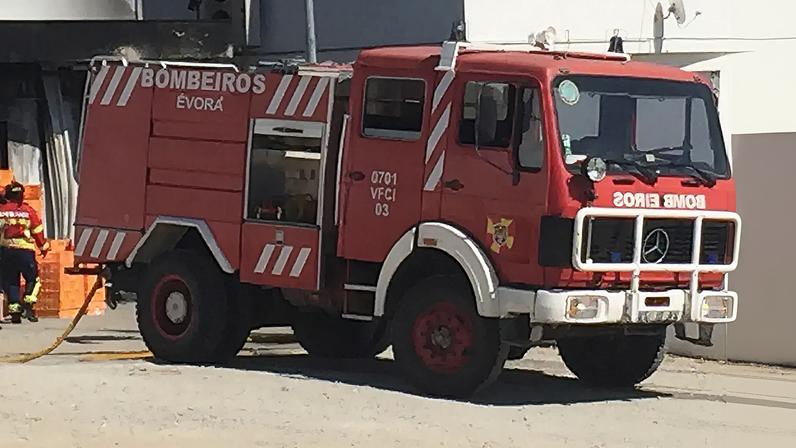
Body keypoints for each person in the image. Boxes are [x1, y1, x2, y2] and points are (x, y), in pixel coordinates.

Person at [0, 182, 50, 323]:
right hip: (25, 251)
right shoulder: (28, 211)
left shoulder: (1, 210)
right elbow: (37, 231)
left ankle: (15, 311)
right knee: (33, 279)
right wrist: (44, 247)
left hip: (6, 250)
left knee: (10, 280)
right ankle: (28, 304)